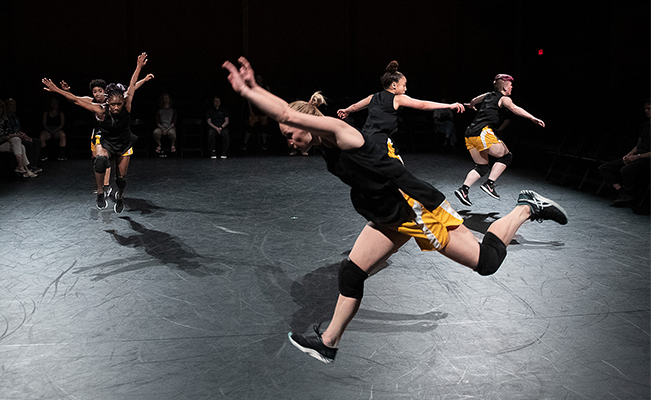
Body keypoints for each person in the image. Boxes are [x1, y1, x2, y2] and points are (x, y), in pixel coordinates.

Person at [223, 57, 568, 364]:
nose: (289, 139)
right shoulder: (326, 143)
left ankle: (526, 207)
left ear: (306, 123)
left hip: (413, 208)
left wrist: (249, 90)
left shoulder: (341, 132)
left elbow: (285, 111)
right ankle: (328, 342)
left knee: (485, 262)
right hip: (386, 213)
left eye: (290, 134)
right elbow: (288, 115)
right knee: (351, 272)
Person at [42, 52, 151, 212]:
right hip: (107, 141)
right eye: (113, 104)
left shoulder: (127, 105)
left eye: (118, 104)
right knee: (100, 161)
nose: (115, 107)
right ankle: (100, 192)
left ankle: (119, 195)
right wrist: (57, 90)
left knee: (121, 179)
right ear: (108, 102)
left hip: (124, 142)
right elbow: (77, 100)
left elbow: (132, 84)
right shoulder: (100, 110)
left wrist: (138, 67)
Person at [337, 61, 464, 157]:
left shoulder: (372, 97)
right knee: (397, 173)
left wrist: (346, 110)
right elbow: (422, 105)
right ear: (393, 85)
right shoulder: (398, 98)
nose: (405, 89)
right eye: (404, 85)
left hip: (366, 138)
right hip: (380, 142)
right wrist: (449, 105)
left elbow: (355, 106)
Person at [454, 74, 545, 207]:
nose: (512, 87)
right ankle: (489, 184)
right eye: (510, 85)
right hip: (482, 132)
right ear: (504, 86)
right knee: (506, 156)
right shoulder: (504, 99)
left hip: (469, 134)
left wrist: (470, 105)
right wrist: (532, 118)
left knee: (482, 167)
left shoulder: (487, 95)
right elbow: (514, 108)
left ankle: (463, 190)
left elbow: (473, 100)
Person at [598, 99, 651, 206]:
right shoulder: (645, 125)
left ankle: (629, 194)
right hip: (637, 156)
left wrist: (637, 157)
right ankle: (622, 192)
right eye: (645, 108)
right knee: (605, 168)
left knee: (625, 170)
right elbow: (639, 145)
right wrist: (629, 155)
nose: (646, 111)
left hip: (646, 159)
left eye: (649, 108)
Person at [0, 99, 37, 178]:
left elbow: (8, 133)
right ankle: (25, 168)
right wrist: (14, 135)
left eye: (2, 107)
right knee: (19, 144)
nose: (0, 109)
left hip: (6, 142)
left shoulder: (4, 120)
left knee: (18, 142)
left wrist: (13, 136)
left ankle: (22, 167)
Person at [5, 97, 42, 172]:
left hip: (19, 135)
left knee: (36, 141)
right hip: (12, 138)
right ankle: (28, 166)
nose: (14, 107)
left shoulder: (14, 116)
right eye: (11, 105)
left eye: (15, 105)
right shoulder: (5, 118)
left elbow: (19, 129)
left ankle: (33, 165)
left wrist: (25, 136)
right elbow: (8, 132)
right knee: (28, 144)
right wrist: (21, 136)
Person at [242, 74, 270, 151]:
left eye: (260, 78)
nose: (259, 80)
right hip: (254, 110)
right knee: (250, 127)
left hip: (263, 110)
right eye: (257, 78)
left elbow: (269, 100)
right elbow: (249, 100)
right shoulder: (252, 88)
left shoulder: (266, 88)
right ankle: (245, 143)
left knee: (264, 127)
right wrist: (251, 111)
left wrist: (268, 110)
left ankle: (264, 144)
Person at [153, 92, 177, 157]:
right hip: (161, 127)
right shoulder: (159, 110)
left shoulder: (173, 110)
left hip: (170, 127)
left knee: (172, 133)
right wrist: (163, 129)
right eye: (165, 98)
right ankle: (159, 144)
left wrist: (167, 130)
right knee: (156, 132)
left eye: (167, 98)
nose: (166, 100)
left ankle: (172, 144)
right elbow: (158, 122)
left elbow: (173, 122)